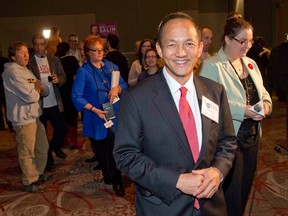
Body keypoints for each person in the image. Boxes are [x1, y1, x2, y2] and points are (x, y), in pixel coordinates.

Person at [113, 12, 237, 216]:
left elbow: (228, 142)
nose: (181, 53)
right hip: (162, 207)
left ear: (199, 48)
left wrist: (218, 171)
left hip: (212, 207)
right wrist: (176, 181)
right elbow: (126, 156)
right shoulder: (136, 98)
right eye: (171, 44)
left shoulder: (215, 91)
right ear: (160, 50)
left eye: (189, 43)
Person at [199, 13, 272, 216]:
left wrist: (266, 105)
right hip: (229, 140)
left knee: (245, 188)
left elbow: (263, 93)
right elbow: (208, 102)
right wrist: (243, 110)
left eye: (249, 41)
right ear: (228, 39)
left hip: (252, 137)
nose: (247, 46)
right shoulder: (211, 65)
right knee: (231, 193)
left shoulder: (250, 63)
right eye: (242, 41)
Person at [71, 34, 128, 196]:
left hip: (112, 112)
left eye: (101, 50)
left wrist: (117, 88)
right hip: (95, 114)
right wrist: (92, 109)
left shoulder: (112, 66)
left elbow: (123, 84)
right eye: (95, 50)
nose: (99, 53)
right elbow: (76, 96)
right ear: (87, 52)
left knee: (114, 147)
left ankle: (117, 178)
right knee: (101, 149)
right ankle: (107, 172)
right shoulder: (83, 72)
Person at [2, 42, 50, 192]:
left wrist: (38, 87)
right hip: (23, 119)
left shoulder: (25, 71)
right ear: (12, 56)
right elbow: (30, 96)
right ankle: (29, 181)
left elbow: (42, 88)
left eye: (26, 52)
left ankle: (39, 173)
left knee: (42, 147)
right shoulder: (12, 73)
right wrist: (37, 88)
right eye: (21, 52)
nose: (26, 55)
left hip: (35, 115)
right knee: (27, 151)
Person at [28, 33, 67, 173]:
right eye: (36, 44)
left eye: (42, 44)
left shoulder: (54, 59)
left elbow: (63, 77)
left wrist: (58, 81)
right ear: (33, 45)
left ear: (46, 45)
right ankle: (48, 160)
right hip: (40, 104)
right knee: (42, 136)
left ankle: (54, 147)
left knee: (61, 129)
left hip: (54, 101)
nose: (39, 47)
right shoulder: (29, 62)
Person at [55, 42, 81, 149]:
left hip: (60, 92)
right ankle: (73, 140)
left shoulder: (56, 61)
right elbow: (78, 73)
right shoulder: (72, 59)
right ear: (67, 50)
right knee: (72, 116)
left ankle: (64, 139)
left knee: (63, 116)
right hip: (72, 90)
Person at [267, 33, 288, 102]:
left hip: (279, 85)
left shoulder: (275, 51)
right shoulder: (276, 51)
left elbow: (270, 72)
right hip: (280, 85)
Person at [0, 55, 10, 130]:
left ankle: (2, 125)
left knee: (7, 105)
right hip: (4, 86)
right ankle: (9, 124)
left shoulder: (4, 60)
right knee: (7, 105)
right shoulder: (4, 60)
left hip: (3, 87)